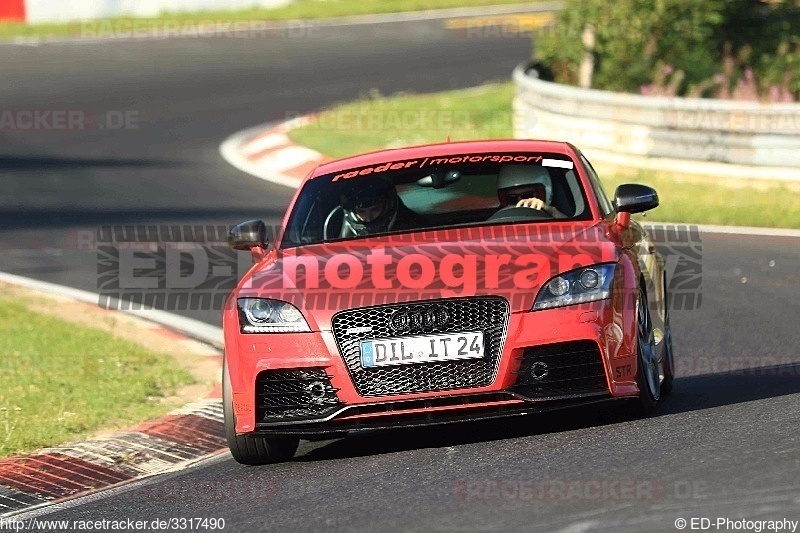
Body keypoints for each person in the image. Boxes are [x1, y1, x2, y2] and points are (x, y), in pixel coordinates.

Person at [338, 178, 420, 237]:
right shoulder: (336, 246)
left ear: (388, 208)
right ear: (352, 214)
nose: (369, 218)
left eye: (375, 210)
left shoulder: (418, 232)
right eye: (361, 212)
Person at [496, 164, 567, 218]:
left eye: (527, 196)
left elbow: (574, 229)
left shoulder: (555, 219)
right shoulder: (496, 222)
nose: (521, 202)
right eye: (511, 199)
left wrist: (552, 211)